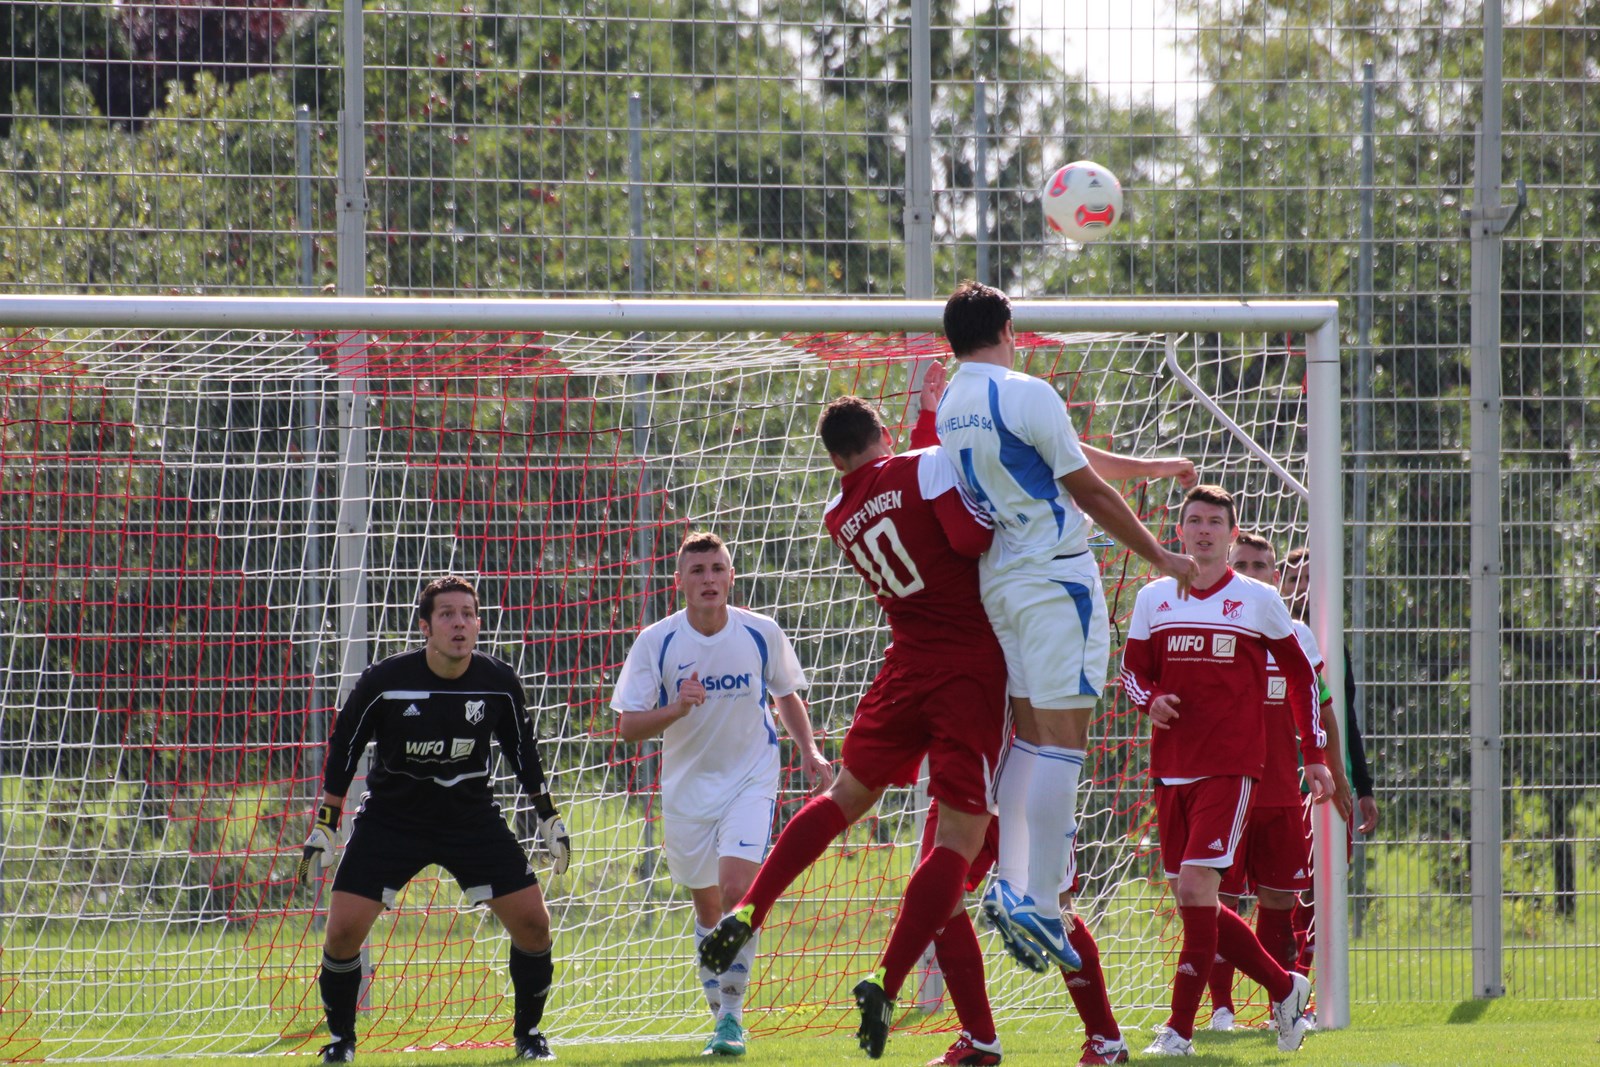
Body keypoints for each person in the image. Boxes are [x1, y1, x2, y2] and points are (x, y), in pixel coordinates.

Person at [698, 385, 1009, 1062]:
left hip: (904, 668)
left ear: (834, 454)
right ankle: (886, 976)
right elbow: (968, 534)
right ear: (880, 434)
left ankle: (752, 906)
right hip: (967, 669)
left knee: (842, 798)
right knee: (955, 840)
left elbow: (900, 487)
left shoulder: (837, 509)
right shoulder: (922, 467)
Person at [934, 280, 1199, 972]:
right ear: (1008, 325)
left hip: (1004, 583)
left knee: (1029, 735)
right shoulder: (1025, 390)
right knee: (1064, 744)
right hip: (1056, 579)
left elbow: (1066, 456)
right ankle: (1044, 906)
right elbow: (1085, 489)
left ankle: (1014, 882)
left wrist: (1151, 467)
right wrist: (1163, 555)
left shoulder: (951, 403)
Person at [297, 575, 571, 1063]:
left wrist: (547, 816)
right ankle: (341, 1040)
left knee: (534, 926)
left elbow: (522, 752)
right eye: (447, 614)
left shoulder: (498, 683)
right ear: (425, 626)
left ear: (478, 622)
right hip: (392, 820)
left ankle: (529, 1036)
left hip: (470, 819)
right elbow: (345, 746)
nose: (459, 623)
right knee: (341, 934)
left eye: (468, 613)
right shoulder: (385, 681)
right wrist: (327, 820)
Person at [1118, 485, 1333, 1056]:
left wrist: (1313, 754)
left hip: (1232, 766)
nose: (1205, 530)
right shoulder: (1153, 599)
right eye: (1195, 521)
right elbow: (1133, 673)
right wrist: (1151, 700)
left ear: (1231, 534)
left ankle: (1180, 1031)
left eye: (1216, 522)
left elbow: (1303, 676)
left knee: (1197, 889)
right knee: (1199, 902)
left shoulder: (1258, 600)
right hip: (1171, 768)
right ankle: (1286, 989)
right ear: (1179, 531)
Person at [612, 532, 832, 1057]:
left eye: (717, 569)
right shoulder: (657, 641)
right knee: (709, 909)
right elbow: (626, 727)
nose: (708, 579)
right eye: (697, 571)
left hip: (752, 777)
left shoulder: (761, 631)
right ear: (680, 582)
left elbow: (785, 693)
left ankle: (731, 1019)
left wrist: (809, 750)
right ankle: (720, 1015)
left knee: (738, 892)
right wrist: (676, 709)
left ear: (731, 576)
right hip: (688, 790)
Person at [1205, 532, 1354, 1031]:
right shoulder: (1207, 626)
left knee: (1280, 902)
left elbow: (1325, 712)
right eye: (1241, 563)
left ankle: (1282, 1009)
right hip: (1222, 791)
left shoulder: (1298, 636)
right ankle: (1221, 1010)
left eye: (1260, 566)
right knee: (1215, 901)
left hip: (1279, 796)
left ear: (1277, 577)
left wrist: (1338, 772)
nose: (1251, 572)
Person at [918, 808, 1130, 1066]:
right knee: (938, 897)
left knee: (1057, 911)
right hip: (964, 787)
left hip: (1028, 794)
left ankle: (1106, 1037)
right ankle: (979, 1038)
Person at [1278, 546, 1381, 982]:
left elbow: (1345, 716)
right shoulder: (1265, 631)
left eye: (1309, 580)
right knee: (1282, 894)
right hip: (1282, 783)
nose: (1300, 588)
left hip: (1330, 784)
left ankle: (1306, 988)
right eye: (1293, 578)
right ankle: (1276, 989)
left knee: (1323, 894)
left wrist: (1364, 787)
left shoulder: (1329, 642)